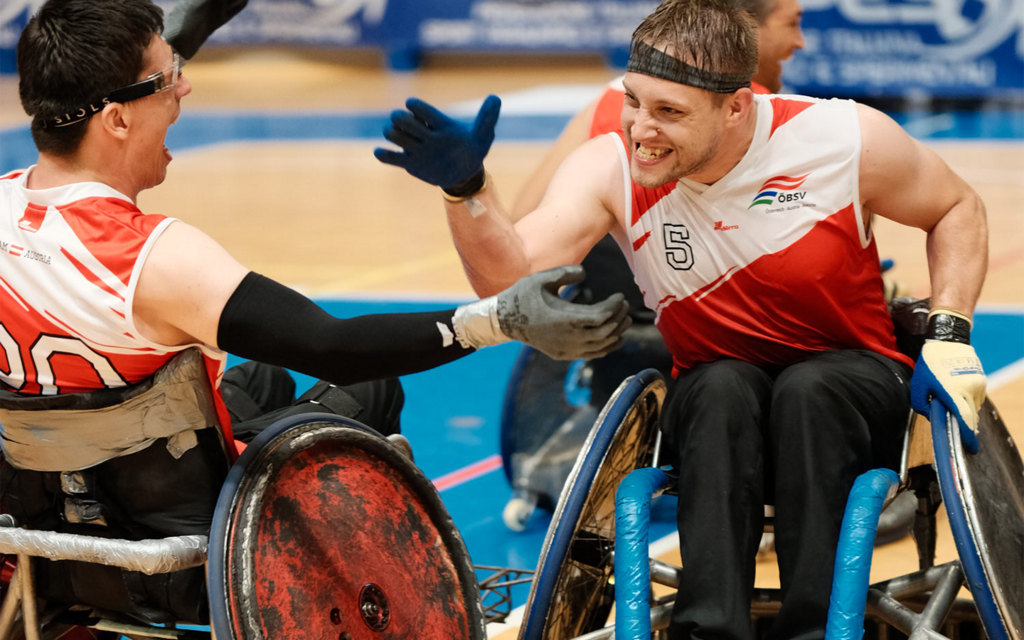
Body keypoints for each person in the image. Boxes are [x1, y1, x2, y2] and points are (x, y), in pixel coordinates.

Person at [0, 0, 631, 623]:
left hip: (37, 543)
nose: (185, 85)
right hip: (186, 561)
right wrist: (495, 318)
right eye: (170, 79)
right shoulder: (153, 260)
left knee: (258, 377)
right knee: (369, 383)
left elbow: (106, 94)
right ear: (114, 119)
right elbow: (330, 345)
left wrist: (169, 44)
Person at [374, 0, 989, 638]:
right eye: (635, 101)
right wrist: (468, 190)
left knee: (812, 388)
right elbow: (508, 279)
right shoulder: (612, 166)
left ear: (735, 106)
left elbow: (956, 207)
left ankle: (816, 628)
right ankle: (707, 630)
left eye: (669, 112)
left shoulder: (841, 137)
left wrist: (949, 331)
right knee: (721, 387)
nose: (641, 128)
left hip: (851, 383)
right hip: (716, 388)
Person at [512, 0, 804, 218]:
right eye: (791, 24)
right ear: (743, 26)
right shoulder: (762, 113)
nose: (799, 41)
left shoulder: (611, 97)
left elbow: (522, 218)